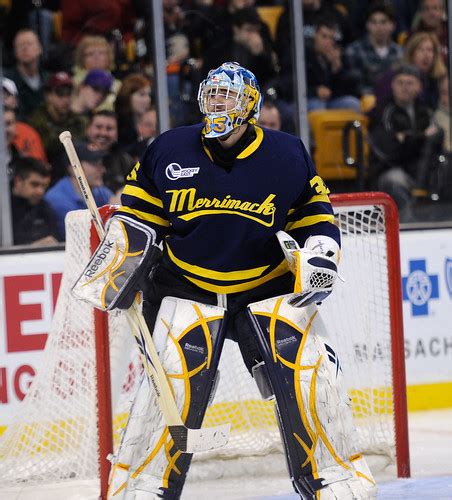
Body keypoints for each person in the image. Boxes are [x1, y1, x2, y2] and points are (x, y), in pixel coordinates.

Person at [73, 62, 376, 499]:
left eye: (228, 97)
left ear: (250, 105)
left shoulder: (286, 153)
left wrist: (322, 255)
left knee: (314, 376)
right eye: (212, 96)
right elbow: (138, 217)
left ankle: (338, 480)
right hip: (186, 286)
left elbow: (316, 218)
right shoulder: (169, 148)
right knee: (170, 386)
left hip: (266, 286)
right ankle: (142, 487)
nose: (218, 104)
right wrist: (120, 264)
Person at [368, 64, 444, 217]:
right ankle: (406, 225)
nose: (404, 87)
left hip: (421, 170)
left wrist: (407, 138)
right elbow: (390, 151)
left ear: (419, 87)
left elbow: (436, 142)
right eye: (400, 82)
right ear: (393, 85)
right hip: (390, 170)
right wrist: (421, 137)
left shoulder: (425, 112)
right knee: (393, 180)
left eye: (409, 83)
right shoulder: (382, 112)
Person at [44, 142, 113, 240]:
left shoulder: (99, 191)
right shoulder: (57, 198)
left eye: (101, 163)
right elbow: (87, 235)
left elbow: (115, 201)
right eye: (94, 164)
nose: (103, 169)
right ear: (73, 168)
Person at [30, 71, 85, 181]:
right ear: (48, 95)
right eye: (60, 94)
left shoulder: (78, 120)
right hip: (45, 173)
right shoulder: (36, 120)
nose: (66, 99)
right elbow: (49, 146)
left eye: (69, 94)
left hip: (72, 175)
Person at [345, 1, 403, 97]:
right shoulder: (353, 51)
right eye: (374, 22)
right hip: (367, 100)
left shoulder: (400, 52)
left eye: (383, 22)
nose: (378, 27)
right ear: (367, 25)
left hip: (395, 100)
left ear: (392, 26)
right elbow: (356, 85)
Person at [10, 157, 60, 246]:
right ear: (18, 181)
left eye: (44, 186)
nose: (40, 191)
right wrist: (33, 248)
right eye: (34, 184)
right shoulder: (5, 211)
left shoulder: (45, 208)